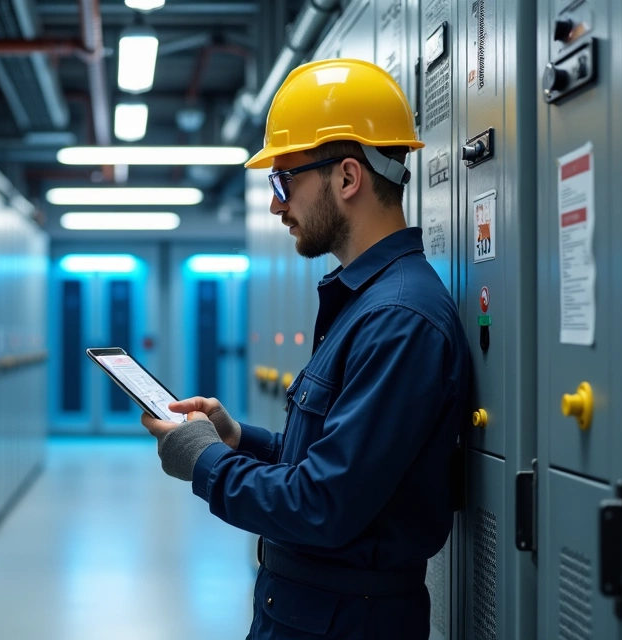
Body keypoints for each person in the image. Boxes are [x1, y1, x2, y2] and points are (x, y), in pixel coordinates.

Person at [141, 59, 472, 639]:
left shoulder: (398, 320)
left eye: (284, 180)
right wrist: (239, 440)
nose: (276, 204)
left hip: (345, 623)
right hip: (310, 613)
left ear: (348, 178)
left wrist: (205, 462)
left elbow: (321, 504)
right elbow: (331, 462)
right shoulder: (368, 305)